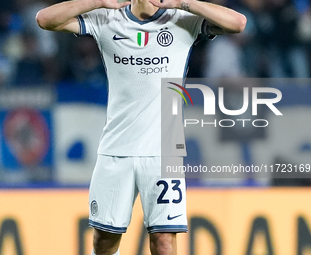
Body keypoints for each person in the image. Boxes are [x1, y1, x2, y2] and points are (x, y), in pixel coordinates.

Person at [36, 0, 246, 254]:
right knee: (104, 240)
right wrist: (98, 2)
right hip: (116, 148)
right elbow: (45, 19)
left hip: (164, 151)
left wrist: (182, 3)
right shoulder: (106, 18)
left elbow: (238, 23)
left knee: (164, 241)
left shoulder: (182, 19)